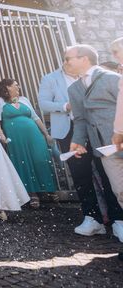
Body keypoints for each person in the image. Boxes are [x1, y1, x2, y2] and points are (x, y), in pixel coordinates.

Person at [39, 58, 123, 236]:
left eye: (71, 58)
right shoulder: (50, 79)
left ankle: (117, 219)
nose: (69, 62)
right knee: (81, 175)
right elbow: (44, 104)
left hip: (99, 130)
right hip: (69, 131)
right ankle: (92, 218)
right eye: (66, 59)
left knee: (107, 173)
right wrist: (66, 106)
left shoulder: (98, 77)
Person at [67, 44, 123, 243]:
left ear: (84, 59)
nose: (66, 63)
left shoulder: (112, 79)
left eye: (68, 58)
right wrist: (77, 141)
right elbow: (80, 119)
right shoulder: (73, 89)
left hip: (119, 142)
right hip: (102, 148)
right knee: (118, 189)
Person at [0, 78, 57, 208]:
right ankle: (32, 194)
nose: (18, 87)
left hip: (34, 135)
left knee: (40, 158)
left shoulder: (24, 100)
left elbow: (35, 118)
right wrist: (1, 134)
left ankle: (49, 188)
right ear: (7, 87)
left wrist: (46, 134)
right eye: (15, 85)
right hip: (15, 137)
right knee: (23, 161)